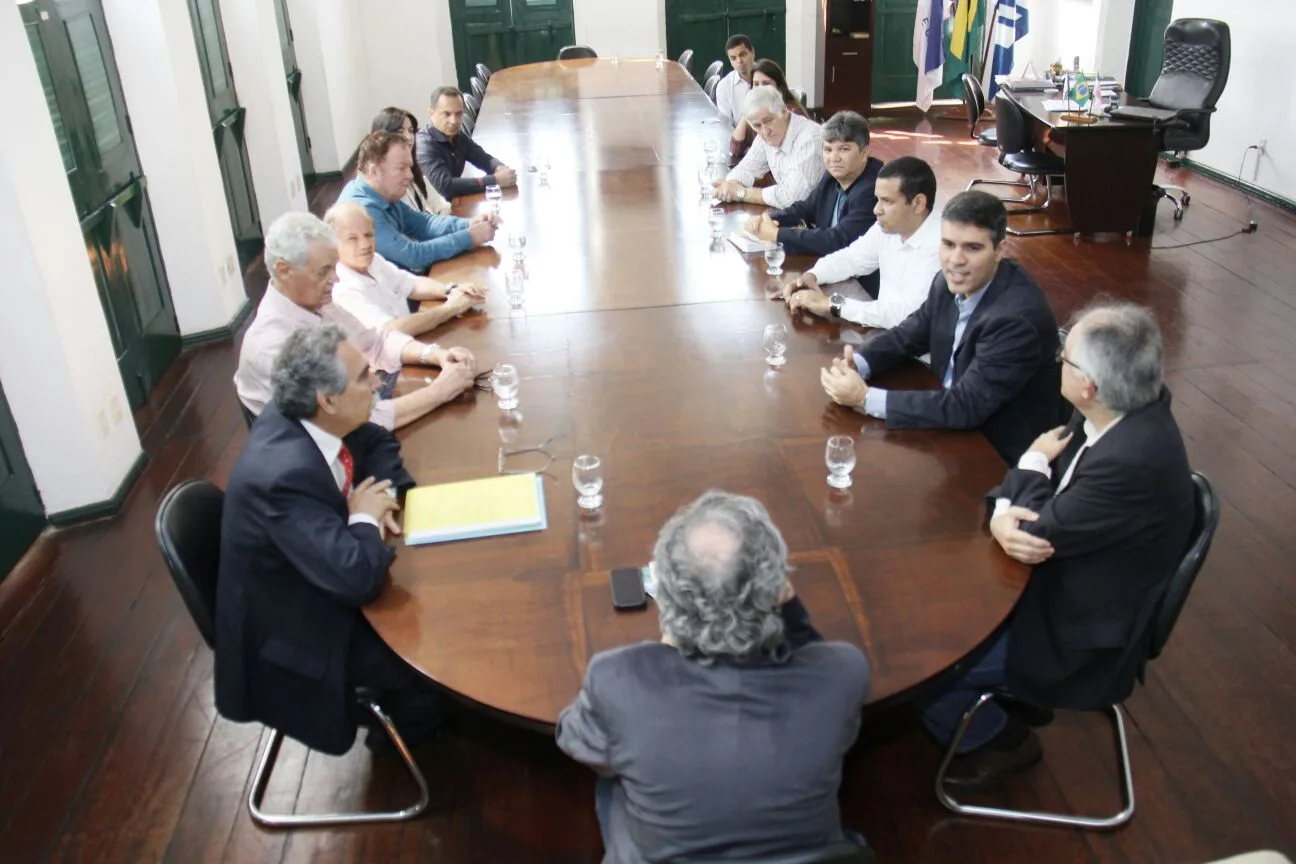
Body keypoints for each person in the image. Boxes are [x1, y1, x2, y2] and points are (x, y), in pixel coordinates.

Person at [920, 302, 1195, 791]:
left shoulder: (1129, 462)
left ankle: (997, 740)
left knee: (928, 663)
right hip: (1069, 573)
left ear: (1088, 384)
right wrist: (1012, 506)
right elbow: (1034, 503)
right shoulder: (1124, 403)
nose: (1057, 363)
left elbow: (1034, 530)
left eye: (1064, 358)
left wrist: (1023, 475)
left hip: (1074, 630)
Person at [556, 490, 872, 863]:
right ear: (775, 590)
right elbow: (815, 672)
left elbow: (576, 740)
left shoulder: (616, 678)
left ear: (669, 593)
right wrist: (791, 614)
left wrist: (670, 642)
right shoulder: (844, 672)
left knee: (613, 781)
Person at [216, 324, 447, 757]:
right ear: (327, 399)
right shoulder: (281, 478)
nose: (378, 381)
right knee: (431, 655)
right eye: (364, 377)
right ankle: (400, 742)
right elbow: (358, 579)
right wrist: (362, 516)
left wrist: (385, 497)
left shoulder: (309, 415)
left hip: (314, 571)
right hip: (295, 635)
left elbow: (375, 439)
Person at [819, 190, 1062, 464]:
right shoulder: (948, 281)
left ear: (1000, 250)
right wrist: (859, 363)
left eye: (972, 247)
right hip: (945, 424)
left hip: (995, 455)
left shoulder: (1015, 320)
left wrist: (864, 398)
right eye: (948, 244)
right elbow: (908, 334)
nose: (955, 259)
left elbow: (967, 406)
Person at [235, 212, 476, 431]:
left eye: (334, 268)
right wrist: (438, 392)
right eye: (323, 272)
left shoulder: (315, 302)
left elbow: (376, 342)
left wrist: (435, 355)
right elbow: (352, 418)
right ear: (284, 270)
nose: (336, 279)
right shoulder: (272, 347)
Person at [781, 155, 941, 327]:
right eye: (877, 199)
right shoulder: (888, 228)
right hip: (887, 338)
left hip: (918, 351)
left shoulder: (943, 247)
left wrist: (833, 304)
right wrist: (812, 275)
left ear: (918, 203)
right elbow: (852, 258)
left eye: (886, 201)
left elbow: (906, 315)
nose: (876, 209)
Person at [339, 131, 498, 274]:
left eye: (410, 167)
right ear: (373, 171)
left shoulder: (381, 192)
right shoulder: (363, 209)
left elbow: (424, 224)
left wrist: (469, 224)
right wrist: (469, 237)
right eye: (401, 168)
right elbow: (412, 256)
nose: (410, 175)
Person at [326, 201, 485, 338]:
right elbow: (392, 330)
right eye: (353, 239)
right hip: (388, 369)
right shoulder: (342, 289)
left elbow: (411, 284)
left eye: (368, 235)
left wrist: (451, 290)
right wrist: (451, 308)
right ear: (333, 244)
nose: (365, 244)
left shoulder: (373, 260)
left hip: (411, 345)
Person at [743, 110, 883, 257]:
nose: (834, 158)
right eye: (828, 149)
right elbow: (806, 208)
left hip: (858, 277)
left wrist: (777, 234)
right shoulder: (832, 176)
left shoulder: (874, 189)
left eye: (844, 149)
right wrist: (767, 220)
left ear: (865, 152)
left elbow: (838, 240)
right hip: (829, 265)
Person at [713, 86, 823, 210]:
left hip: (819, 223)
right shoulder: (766, 135)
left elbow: (792, 197)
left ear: (784, 112)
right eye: (757, 125)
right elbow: (746, 168)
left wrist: (741, 193)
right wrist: (731, 185)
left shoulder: (809, 139)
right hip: (795, 217)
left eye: (769, 121)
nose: (765, 131)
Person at [414, 86, 518, 200]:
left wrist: (499, 168)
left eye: (458, 114)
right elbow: (446, 186)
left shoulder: (457, 136)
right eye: (447, 114)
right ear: (430, 113)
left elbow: (483, 158)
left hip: (454, 202)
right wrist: (495, 180)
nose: (454, 121)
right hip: (436, 212)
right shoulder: (424, 145)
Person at [370, 106, 452, 216]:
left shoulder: (414, 171)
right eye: (400, 131)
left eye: (411, 131)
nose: (408, 137)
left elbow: (441, 205)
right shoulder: (385, 185)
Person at [729, 58, 809, 164]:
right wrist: (747, 113)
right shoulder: (758, 110)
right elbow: (735, 150)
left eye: (766, 84)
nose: (760, 89)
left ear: (779, 86)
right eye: (756, 84)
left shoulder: (789, 112)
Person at [715, 34, 756, 127]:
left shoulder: (769, 77)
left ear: (752, 52)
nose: (739, 61)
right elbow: (726, 126)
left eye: (743, 55)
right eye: (733, 58)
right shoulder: (724, 86)